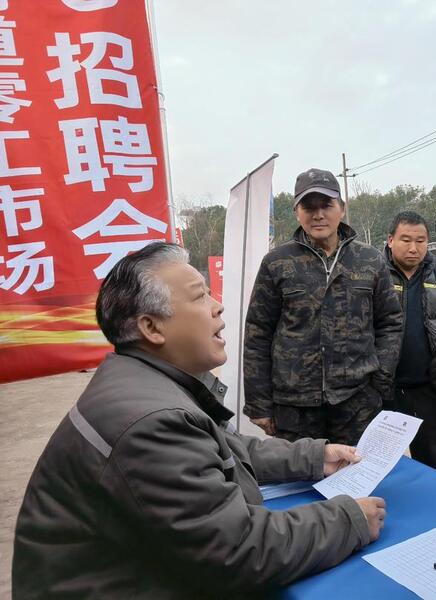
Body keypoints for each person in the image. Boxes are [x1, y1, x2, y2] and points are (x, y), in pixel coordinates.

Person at [13, 243, 387, 599]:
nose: (218, 306)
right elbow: (236, 549)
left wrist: (314, 457)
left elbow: (224, 449)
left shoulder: (146, 383)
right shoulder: (149, 422)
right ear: (152, 328)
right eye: (199, 297)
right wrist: (348, 519)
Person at [243, 168, 403, 445]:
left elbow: (390, 323)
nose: (318, 214)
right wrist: (259, 404)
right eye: (309, 207)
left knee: (355, 470)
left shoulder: (369, 260)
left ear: (342, 208)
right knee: (298, 471)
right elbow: (258, 333)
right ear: (297, 212)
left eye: (327, 205)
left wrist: (379, 383)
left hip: (356, 402)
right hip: (294, 406)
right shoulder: (277, 262)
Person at [383, 211, 436, 471]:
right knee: (382, 465)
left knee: (431, 464)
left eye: (420, 241)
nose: (413, 248)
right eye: (406, 240)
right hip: (385, 390)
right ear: (390, 240)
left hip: (429, 389)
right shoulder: (375, 274)